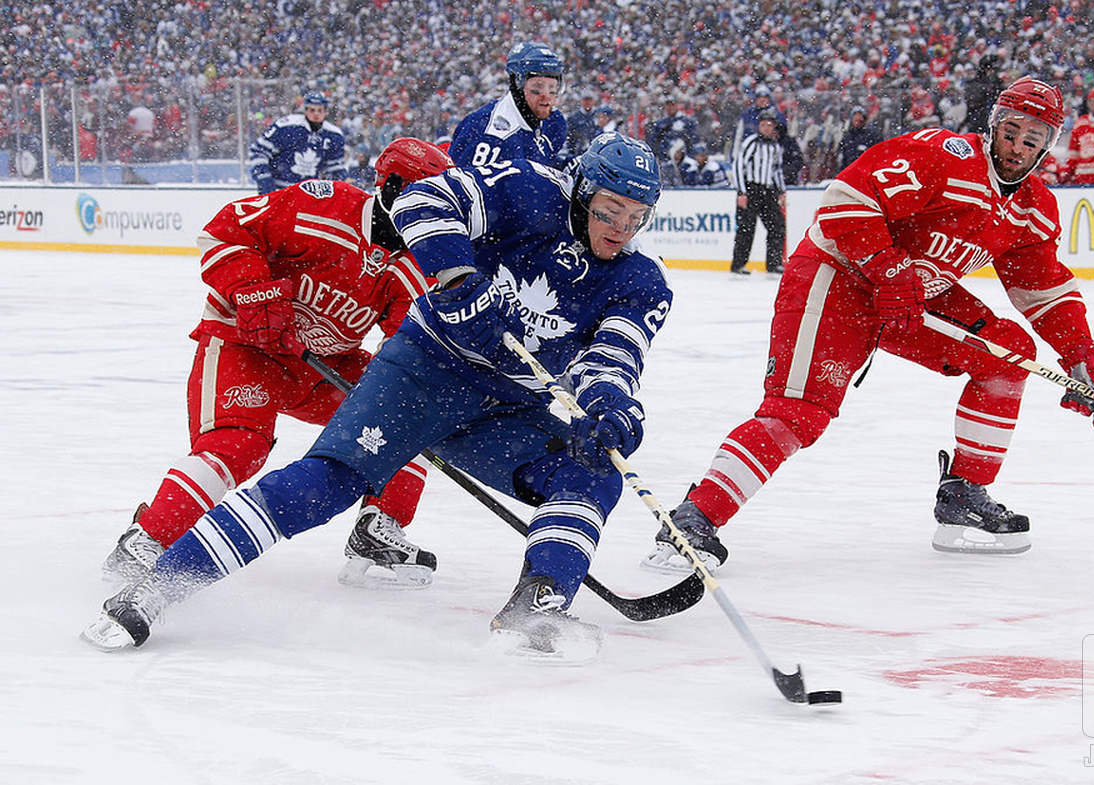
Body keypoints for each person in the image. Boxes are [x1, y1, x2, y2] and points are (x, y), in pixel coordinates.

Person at [83, 133, 670, 663]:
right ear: (583, 192)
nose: (620, 228)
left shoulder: (641, 280)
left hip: (504, 406)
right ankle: (159, 584)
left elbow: (617, 352)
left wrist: (611, 409)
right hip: (425, 371)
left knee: (590, 473)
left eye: (635, 217)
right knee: (328, 482)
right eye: (609, 210)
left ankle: (534, 610)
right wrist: (459, 279)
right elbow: (424, 202)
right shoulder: (526, 189)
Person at [641, 77, 1094, 573]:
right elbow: (845, 199)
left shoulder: (1032, 207)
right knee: (799, 411)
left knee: (1007, 353)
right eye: (1012, 131)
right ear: (994, 125)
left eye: (1032, 139)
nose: (1018, 146)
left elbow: (1043, 289)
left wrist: (1081, 352)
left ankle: (964, 495)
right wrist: (888, 269)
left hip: (908, 296)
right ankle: (694, 519)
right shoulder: (943, 156)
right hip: (837, 276)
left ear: (1048, 146)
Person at [100, 138, 453, 593]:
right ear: (391, 185)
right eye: (424, 199)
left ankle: (377, 527)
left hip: (321, 365)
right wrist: (252, 290)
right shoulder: (321, 206)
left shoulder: (418, 262)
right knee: (238, 445)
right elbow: (225, 230)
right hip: (245, 346)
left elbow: (406, 341)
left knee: (407, 412)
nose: (432, 215)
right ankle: (146, 538)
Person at [448, 42, 567, 169]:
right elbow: (460, 185)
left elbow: (547, 164)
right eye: (537, 87)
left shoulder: (554, 122)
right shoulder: (488, 135)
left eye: (552, 88)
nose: (547, 96)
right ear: (517, 85)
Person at [249, 92, 348, 194]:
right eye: (312, 110)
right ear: (305, 110)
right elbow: (258, 151)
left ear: (325, 111)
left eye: (320, 110)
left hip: (308, 195)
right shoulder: (286, 127)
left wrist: (336, 187)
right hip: (279, 191)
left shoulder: (334, 135)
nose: (316, 114)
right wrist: (265, 180)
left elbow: (335, 169)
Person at [730, 109, 786, 276]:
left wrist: (781, 191)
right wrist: (741, 192)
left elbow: (777, 170)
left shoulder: (775, 146)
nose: (767, 128)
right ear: (758, 126)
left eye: (769, 125)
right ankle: (738, 264)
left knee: (777, 225)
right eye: (763, 125)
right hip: (750, 189)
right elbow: (739, 166)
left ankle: (774, 263)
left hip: (767, 190)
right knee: (746, 228)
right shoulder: (751, 142)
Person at [838, 105, 884, 171]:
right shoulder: (847, 137)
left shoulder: (871, 135)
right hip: (850, 170)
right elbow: (844, 157)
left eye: (860, 116)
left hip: (865, 170)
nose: (858, 119)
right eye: (855, 116)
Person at [565, 89, 599, 157]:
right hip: (579, 152)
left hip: (597, 152)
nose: (588, 102)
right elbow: (569, 136)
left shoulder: (598, 115)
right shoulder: (574, 117)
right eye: (585, 100)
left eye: (590, 100)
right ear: (581, 101)